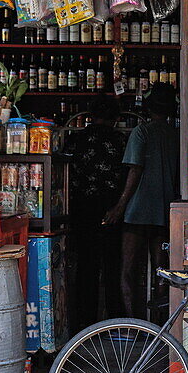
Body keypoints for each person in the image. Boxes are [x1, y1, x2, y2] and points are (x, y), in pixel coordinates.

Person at [105, 82, 180, 319]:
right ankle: (159, 324)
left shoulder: (141, 132)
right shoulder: (177, 135)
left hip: (137, 211)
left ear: (148, 107)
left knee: (128, 269)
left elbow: (135, 170)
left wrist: (119, 206)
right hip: (165, 211)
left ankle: (132, 324)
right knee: (162, 270)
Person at [65, 95, 127, 332]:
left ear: (90, 116)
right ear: (116, 118)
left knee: (86, 265)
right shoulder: (120, 140)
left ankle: (85, 322)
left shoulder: (77, 139)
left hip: (82, 207)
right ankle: (115, 321)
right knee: (112, 265)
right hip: (112, 208)